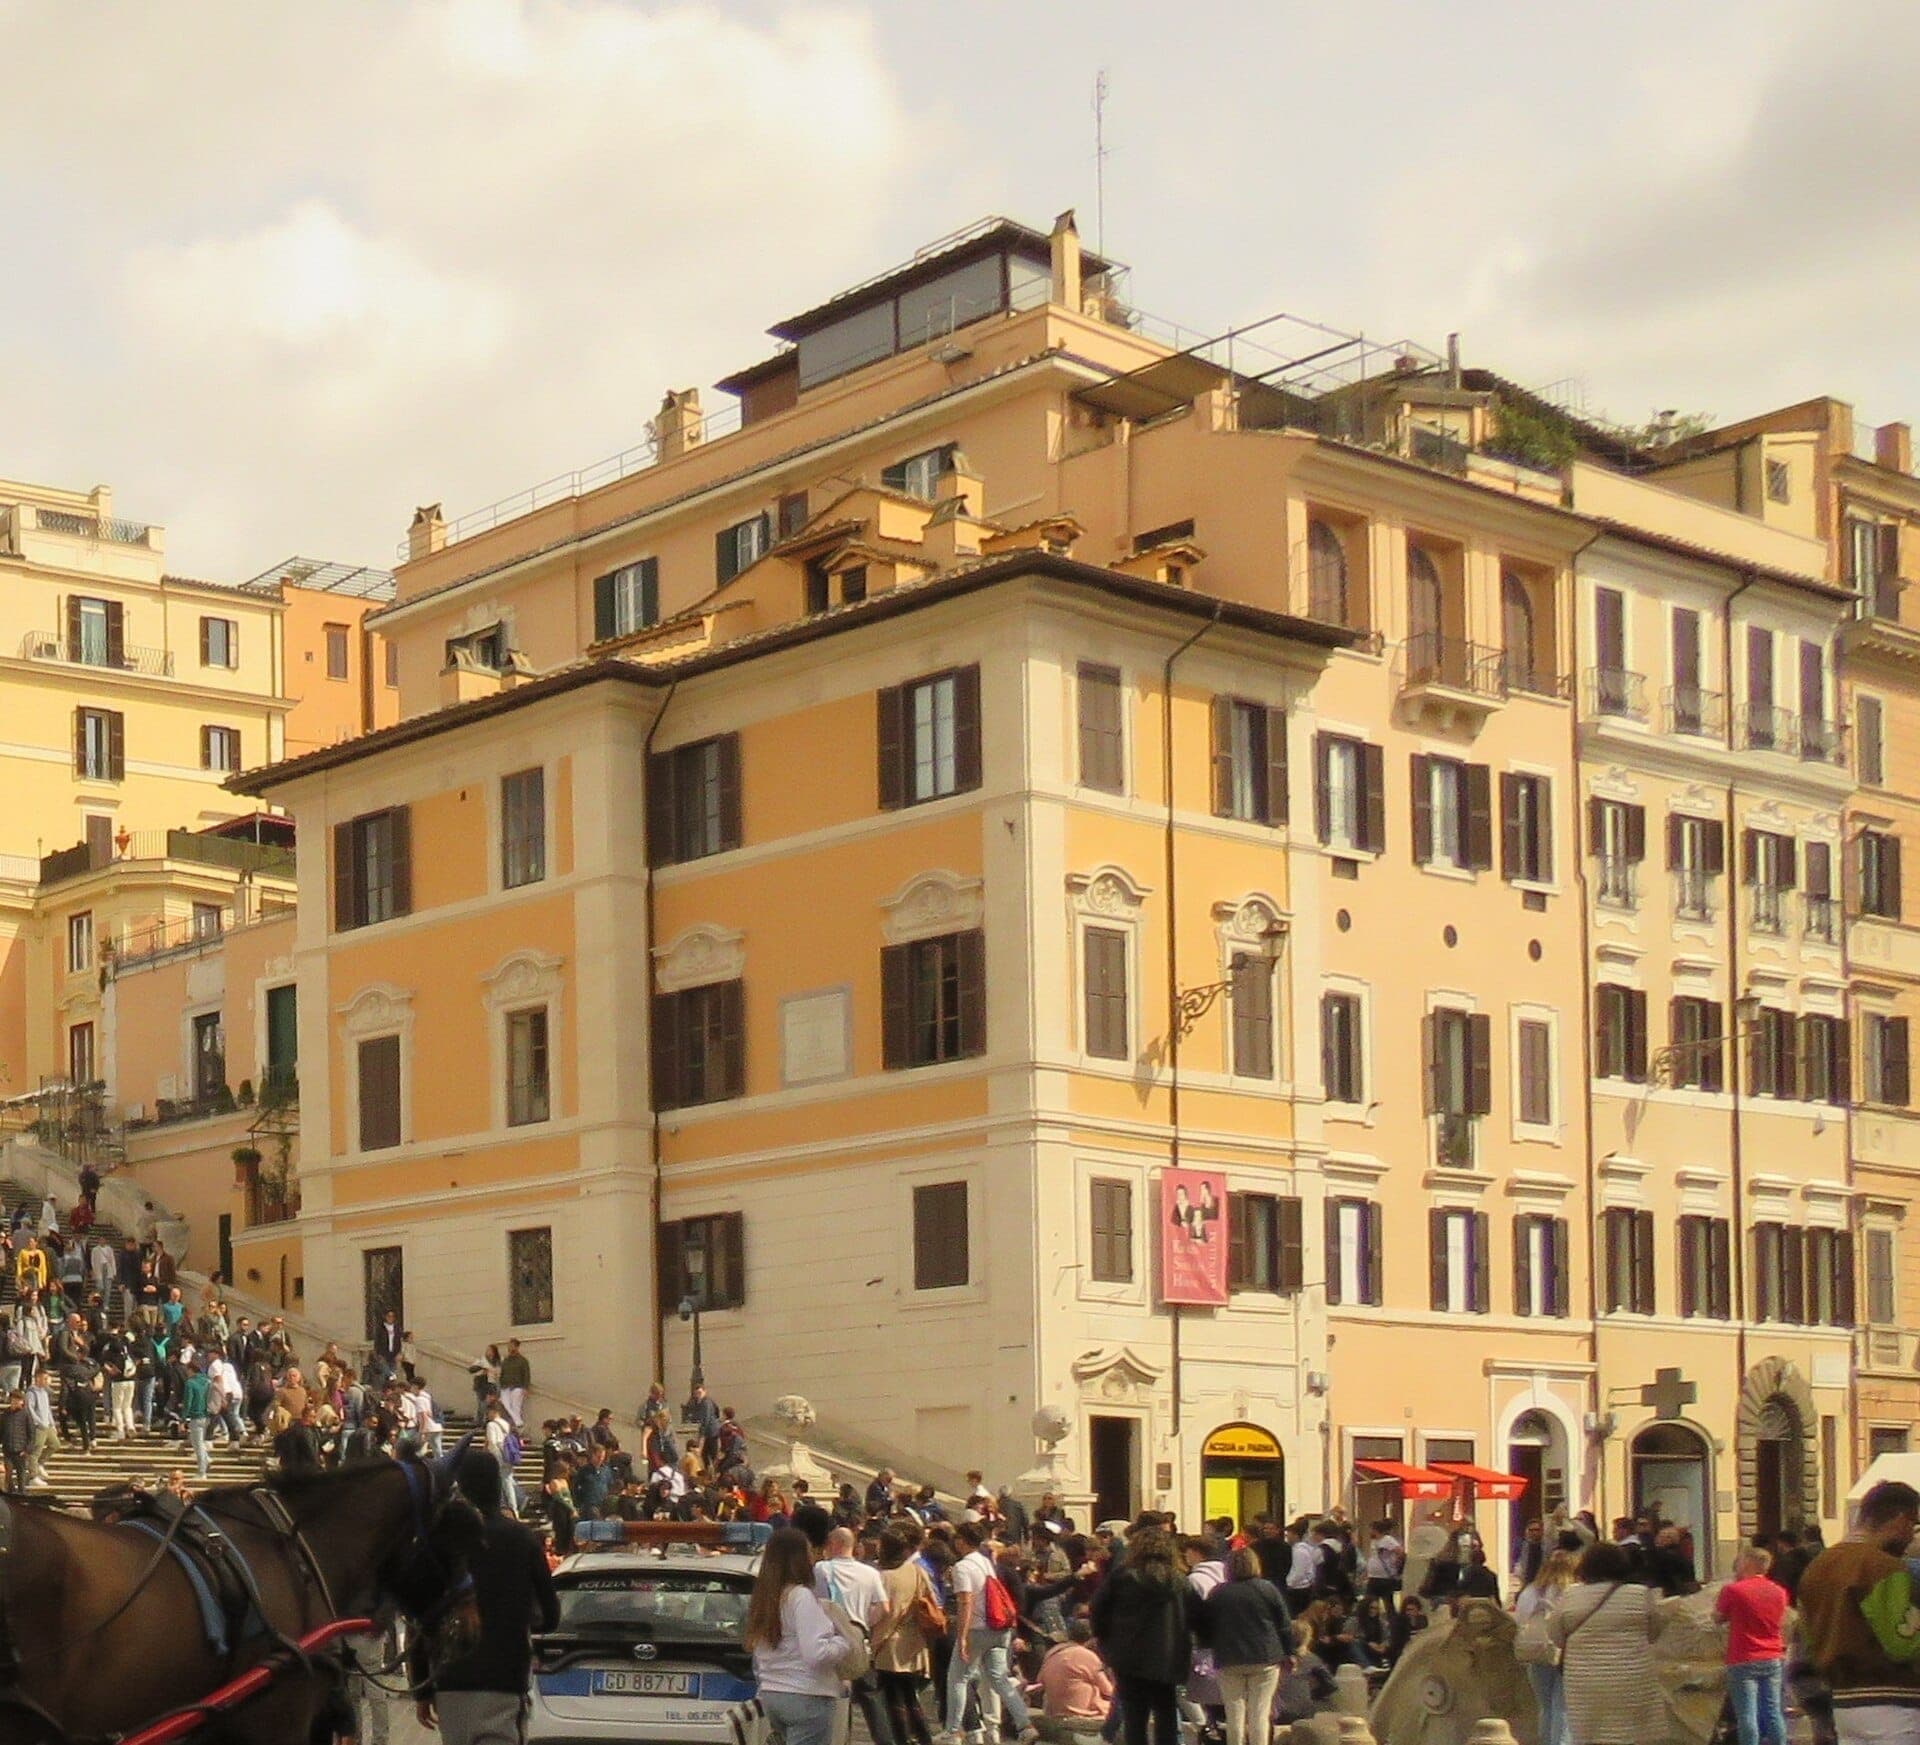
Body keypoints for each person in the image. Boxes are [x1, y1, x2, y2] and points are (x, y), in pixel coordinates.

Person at [411, 1448, 559, 1745]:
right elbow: (550, 1615)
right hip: (504, 1679)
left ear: (461, 1488)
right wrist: (518, 1621)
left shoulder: (439, 1542)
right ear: (498, 1487)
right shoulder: (522, 1539)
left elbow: (422, 1621)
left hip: (451, 1680)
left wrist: (421, 1688)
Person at [1796, 1480, 1920, 1745]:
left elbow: (1807, 1638)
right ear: (1899, 1519)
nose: (1911, 1535)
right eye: (1913, 1524)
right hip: (1892, 1702)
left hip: (1843, 1702)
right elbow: (1902, 1644)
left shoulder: (1817, 1567)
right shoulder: (1881, 1566)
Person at [1550, 1539, 1670, 1745]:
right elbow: (1654, 1632)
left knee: (1593, 1736)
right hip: (1633, 1679)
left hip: (1585, 1682)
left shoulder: (1571, 1595)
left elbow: (1555, 1635)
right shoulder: (1639, 1594)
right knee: (1631, 1736)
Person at [1090, 1526, 1201, 1745]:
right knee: (1166, 1712)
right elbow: (1198, 1616)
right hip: (1169, 1655)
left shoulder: (1122, 1577)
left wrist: (1106, 1642)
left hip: (1129, 1655)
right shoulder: (1180, 1580)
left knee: (1135, 1717)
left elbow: (1098, 1609)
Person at [747, 1526, 850, 1745]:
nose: (812, 1557)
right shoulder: (800, 1597)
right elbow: (816, 1653)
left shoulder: (765, 1597)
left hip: (773, 1693)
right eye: (808, 1551)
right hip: (807, 1694)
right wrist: (842, 1643)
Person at [943, 1518, 1034, 1743]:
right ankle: (1025, 1724)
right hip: (999, 1628)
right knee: (999, 1678)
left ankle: (953, 1730)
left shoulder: (963, 1567)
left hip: (977, 1628)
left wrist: (962, 1636)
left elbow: (966, 1601)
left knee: (958, 1679)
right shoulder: (986, 1562)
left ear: (962, 1541)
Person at [1203, 1545, 1292, 1745]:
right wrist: (1290, 1652)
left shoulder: (1218, 1593)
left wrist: (1210, 1645)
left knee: (1234, 1712)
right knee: (1259, 1712)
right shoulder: (1267, 1588)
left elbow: (1205, 1626)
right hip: (1265, 1656)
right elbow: (1284, 1624)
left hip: (1228, 1657)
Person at [1717, 1548, 1788, 1745]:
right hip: (1773, 1655)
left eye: (1739, 1561)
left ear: (1748, 1563)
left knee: (1747, 1715)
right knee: (1773, 1711)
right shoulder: (1779, 1591)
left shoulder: (1733, 1590)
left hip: (1743, 1656)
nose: (1736, 1565)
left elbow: (1718, 1618)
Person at [873, 1527, 938, 1745]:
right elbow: (929, 1600)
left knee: (894, 1699)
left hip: (888, 1642)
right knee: (911, 1697)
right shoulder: (916, 1571)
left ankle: (902, 1740)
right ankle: (924, 1738)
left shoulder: (882, 1577)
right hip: (914, 1639)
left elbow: (878, 1612)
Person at [1515, 1549, 1577, 1745]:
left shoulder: (1530, 1591)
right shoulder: (1573, 1591)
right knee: (1563, 1707)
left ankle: (1546, 1741)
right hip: (1566, 1653)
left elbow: (1521, 1619)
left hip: (1536, 1651)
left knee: (1545, 1706)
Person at [1036, 1619, 1112, 1741]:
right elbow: (1109, 1691)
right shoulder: (1087, 1656)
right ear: (1092, 1638)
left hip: (1055, 1710)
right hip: (1080, 1711)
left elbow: (1040, 1680)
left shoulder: (1052, 1653)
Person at [497, 1338, 530, 1428]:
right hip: (505, 1386)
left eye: (511, 1346)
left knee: (516, 1406)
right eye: (509, 1346)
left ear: (517, 1347)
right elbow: (502, 1374)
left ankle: (516, 1424)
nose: (509, 1348)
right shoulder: (506, 1361)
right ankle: (518, 1422)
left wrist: (526, 1388)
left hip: (517, 1386)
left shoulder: (523, 1361)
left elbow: (526, 1374)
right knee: (506, 1404)